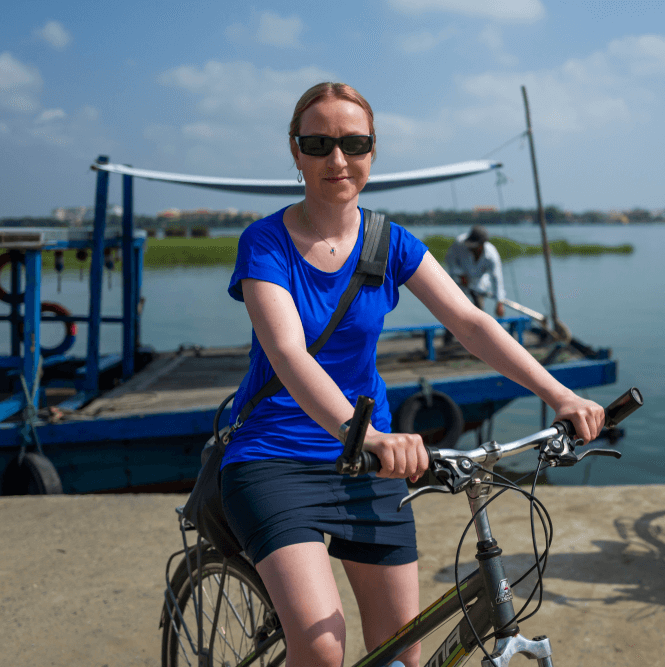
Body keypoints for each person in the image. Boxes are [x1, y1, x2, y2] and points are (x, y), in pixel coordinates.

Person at [219, 82, 607, 667]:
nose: (337, 160)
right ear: (295, 151)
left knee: (402, 652)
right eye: (319, 143)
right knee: (323, 649)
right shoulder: (266, 242)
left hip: (365, 464)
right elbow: (290, 354)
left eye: (354, 143)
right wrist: (369, 433)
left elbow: (470, 323)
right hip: (275, 457)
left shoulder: (389, 241)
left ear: (373, 151)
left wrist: (558, 393)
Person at [444, 224, 506, 318]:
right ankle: (451, 331)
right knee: (453, 311)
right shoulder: (459, 243)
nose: (471, 248)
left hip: (479, 285)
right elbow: (449, 260)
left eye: (474, 246)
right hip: (459, 283)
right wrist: (461, 274)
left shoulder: (492, 255)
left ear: (481, 244)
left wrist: (499, 302)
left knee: (479, 313)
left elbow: (497, 278)